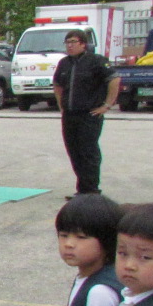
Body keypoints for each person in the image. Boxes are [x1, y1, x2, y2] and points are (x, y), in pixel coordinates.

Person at [51, 29, 119, 196]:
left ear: (83, 44)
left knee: (88, 151)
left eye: (73, 42)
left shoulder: (96, 61)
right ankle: (82, 190)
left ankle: (92, 190)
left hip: (89, 114)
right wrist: (61, 105)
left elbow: (114, 79)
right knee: (74, 151)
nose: (69, 46)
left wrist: (107, 105)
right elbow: (57, 84)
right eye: (67, 43)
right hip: (70, 115)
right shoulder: (64, 63)